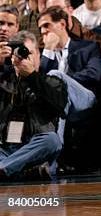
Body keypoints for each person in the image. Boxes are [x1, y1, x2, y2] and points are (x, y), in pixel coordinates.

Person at [0, 31, 66, 180]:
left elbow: (59, 107)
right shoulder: (4, 81)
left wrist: (31, 77)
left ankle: (6, 168)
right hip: (6, 147)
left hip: (34, 148)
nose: (25, 58)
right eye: (20, 55)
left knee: (52, 140)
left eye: (29, 53)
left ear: (38, 54)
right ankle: (21, 171)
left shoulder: (51, 80)